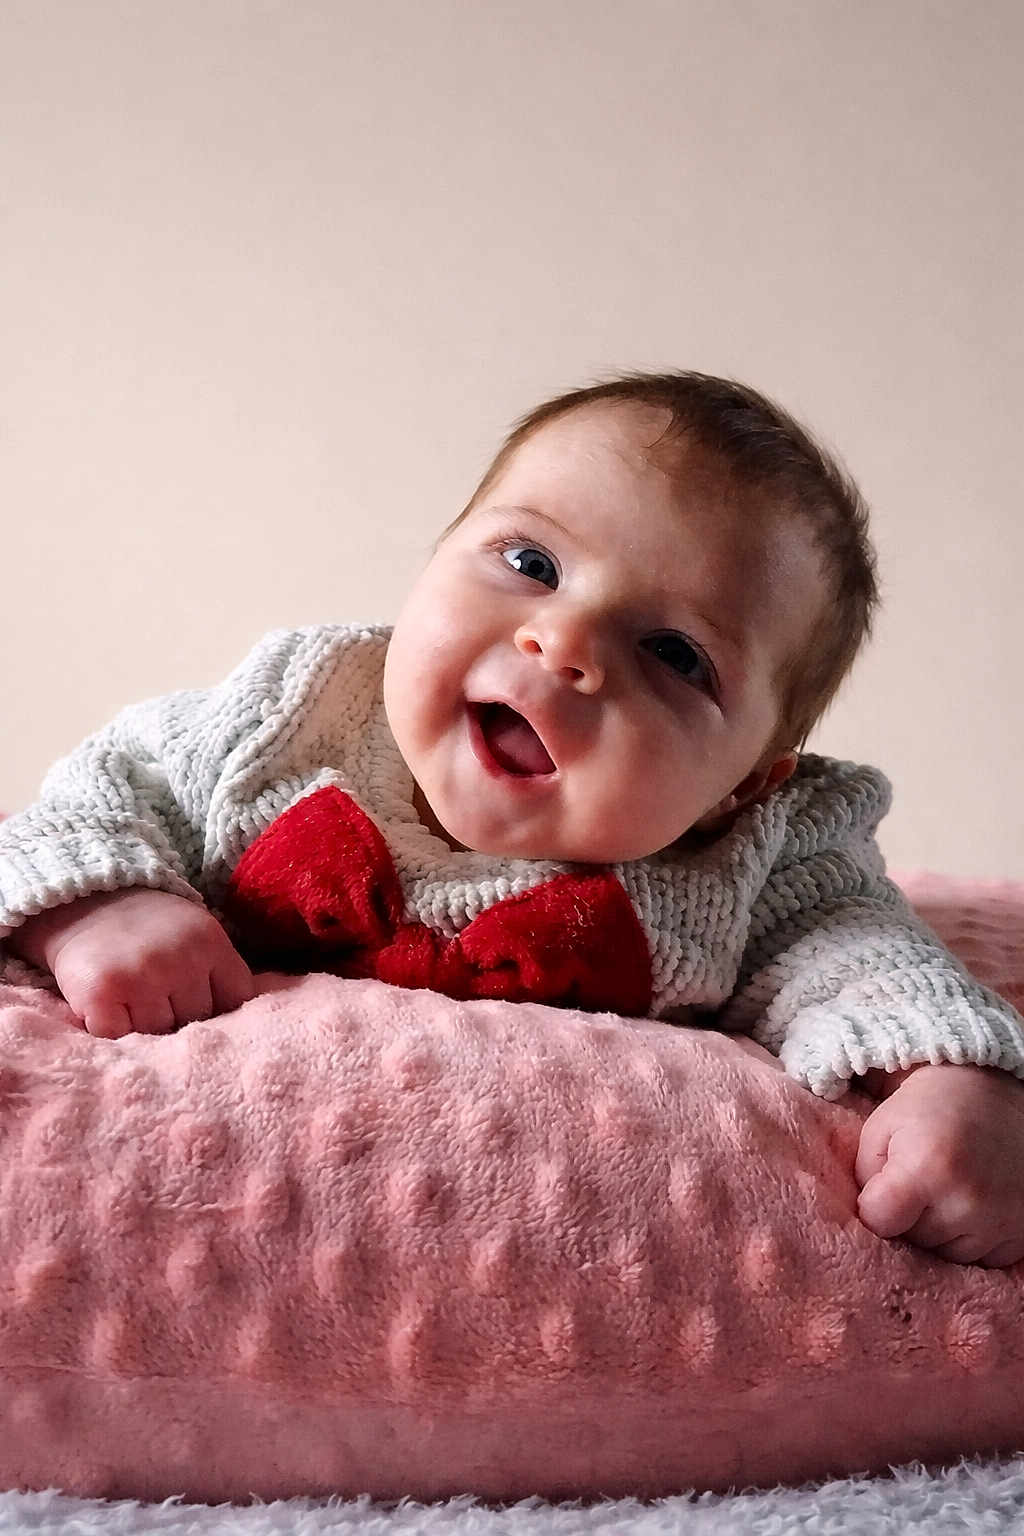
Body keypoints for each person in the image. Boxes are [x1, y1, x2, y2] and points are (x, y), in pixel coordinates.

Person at [2, 370, 1023, 1267]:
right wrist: (101, 903)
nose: (562, 639)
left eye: (672, 653)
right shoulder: (290, 721)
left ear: (743, 785)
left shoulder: (751, 857)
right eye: (531, 563)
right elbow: (94, 797)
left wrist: (948, 1080)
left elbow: (866, 955)